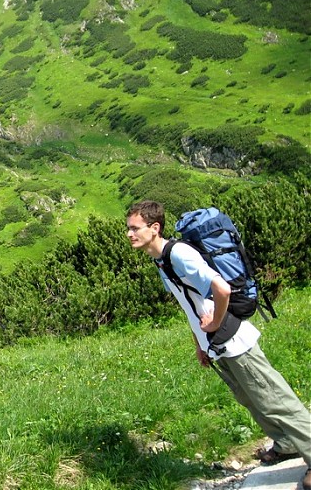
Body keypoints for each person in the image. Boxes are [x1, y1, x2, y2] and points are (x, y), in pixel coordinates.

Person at [126, 200, 310, 489]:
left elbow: (221, 288)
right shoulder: (160, 260)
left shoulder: (179, 255)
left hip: (235, 341)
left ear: (154, 227)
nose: (129, 234)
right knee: (251, 399)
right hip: (217, 345)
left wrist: (214, 323)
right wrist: (200, 343)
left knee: (276, 400)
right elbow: (189, 304)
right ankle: (287, 442)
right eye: (129, 229)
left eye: (135, 228)